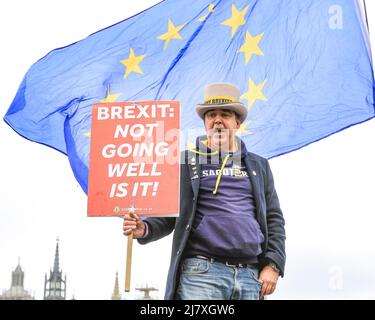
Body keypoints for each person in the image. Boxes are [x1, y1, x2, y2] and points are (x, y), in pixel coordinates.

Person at [123, 83, 286, 300]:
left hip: (250, 276)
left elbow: (274, 219)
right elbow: (168, 213)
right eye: (211, 115)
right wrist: (144, 228)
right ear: (205, 123)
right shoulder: (184, 162)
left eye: (225, 114)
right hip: (201, 274)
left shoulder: (259, 166)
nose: (217, 120)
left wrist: (273, 265)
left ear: (237, 122)